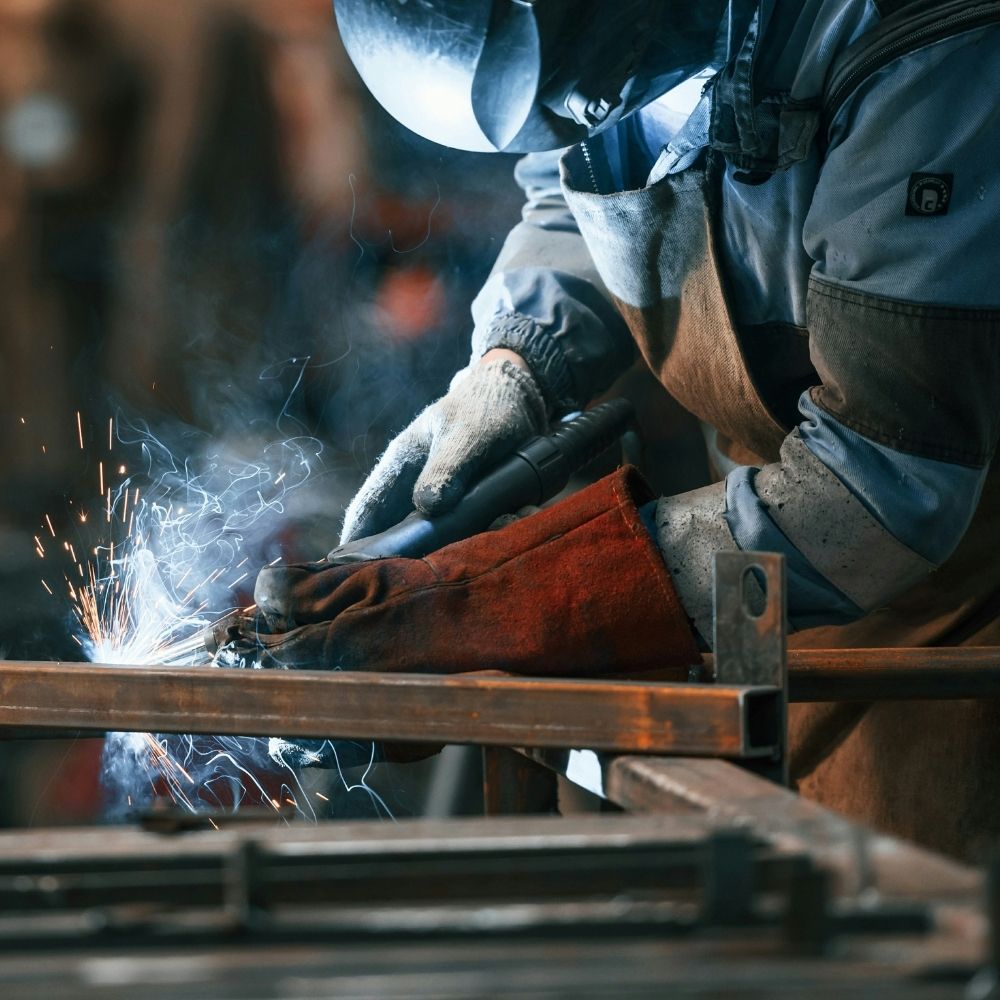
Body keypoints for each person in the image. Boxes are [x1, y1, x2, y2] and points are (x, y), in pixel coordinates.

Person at [253, 0, 1000, 860]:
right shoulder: (619, 51)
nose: (578, 115)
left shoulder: (918, 44)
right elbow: (573, 188)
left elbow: (887, 484)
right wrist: (516, 362)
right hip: (774, 575)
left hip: (962, 602)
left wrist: (508, 600)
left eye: (580, 93)